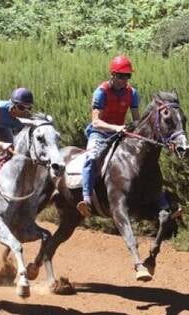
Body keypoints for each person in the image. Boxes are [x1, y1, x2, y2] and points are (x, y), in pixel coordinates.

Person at [77, 55, 140, 217]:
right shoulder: (101, 92)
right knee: (91, 157)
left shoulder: (132, 93)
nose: (124, 79)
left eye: (127, 76)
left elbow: (136, 120)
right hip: (100, 133)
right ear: (112, 74)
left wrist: (134, 131)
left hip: (120, 133)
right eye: (120, 76)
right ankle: (86, 198)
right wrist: (116, 127)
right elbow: (96, 122)